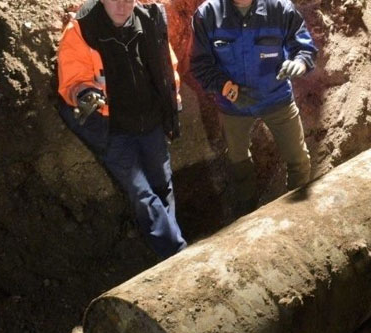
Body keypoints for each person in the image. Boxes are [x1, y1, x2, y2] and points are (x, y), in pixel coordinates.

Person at [57, 0, 187, 258]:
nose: (121, 5)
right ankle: (176, 252)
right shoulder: (81, 30)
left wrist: (171, 104)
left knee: (162, 184)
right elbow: (74, 80)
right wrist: (84, 93)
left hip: (149, 120)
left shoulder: (149, 20)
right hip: (112, 128)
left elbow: (166, 66)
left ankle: (170, 242)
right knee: (141, 192)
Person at [189, 0, 317, 214]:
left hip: (276, 99)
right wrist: (227, 88)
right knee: (238, 161)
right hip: (233, 106)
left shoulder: (279, 8)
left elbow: (304, 47)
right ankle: (246, 213)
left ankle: (297, 214)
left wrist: (300, 63)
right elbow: (199, 64)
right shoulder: (207, 14)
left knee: (299, 160)